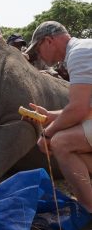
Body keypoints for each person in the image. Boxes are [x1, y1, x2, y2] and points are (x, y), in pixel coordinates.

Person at [25, 21, 92, 213]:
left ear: (48, 41)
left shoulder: (78, 54)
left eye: (37, 50)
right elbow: (88, 108)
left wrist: (47, 134)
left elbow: (78, 109)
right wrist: (49, 116)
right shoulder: (83, 48)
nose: (39, 57)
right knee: (73, 145)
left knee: (60, 142)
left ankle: (88, 207)